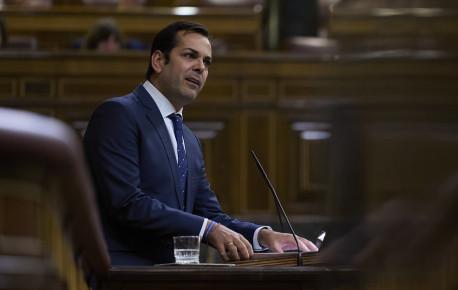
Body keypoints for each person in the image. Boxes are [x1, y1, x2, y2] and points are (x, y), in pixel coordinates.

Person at [83, 21, 317, 266]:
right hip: (122, 272)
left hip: (172, 276)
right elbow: (127, 203)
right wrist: (208, 229)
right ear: (158, 61)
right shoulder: (118, 114)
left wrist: (263, 236)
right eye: (189, 56)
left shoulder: (189, 139)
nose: (200, 67)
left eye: (206, 62)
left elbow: (208, 215)